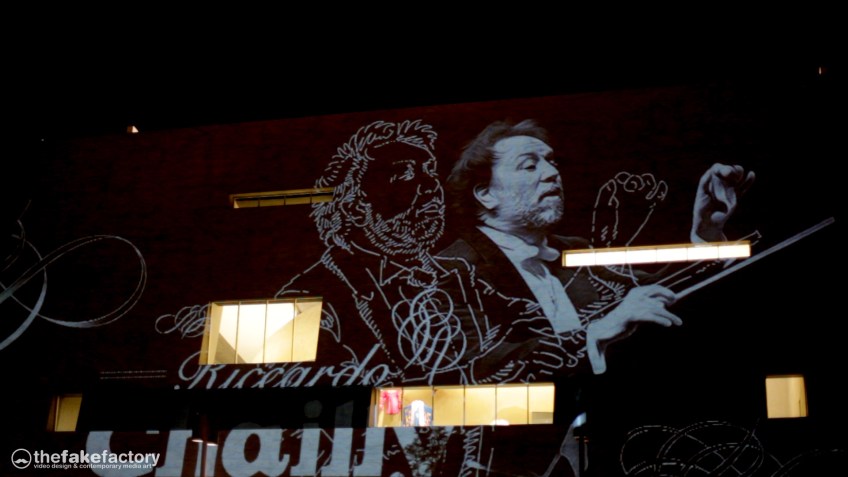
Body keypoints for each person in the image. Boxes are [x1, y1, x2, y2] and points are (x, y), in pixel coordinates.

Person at [438, 119, 755, 375]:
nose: (553, 173)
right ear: (486, 193)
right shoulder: (448, 270)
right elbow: (478, 365)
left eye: (552, 162)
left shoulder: (574, 251)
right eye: (530, 166)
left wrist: (707, 234)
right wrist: (596, 331)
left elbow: (657, 292)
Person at [277, 119, 488, 384]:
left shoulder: (457, 271)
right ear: (354, 208)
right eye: (404, 173)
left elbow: (523, 321)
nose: (431, 185)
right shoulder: (307, 297)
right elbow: (292, 387)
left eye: (429, 170)